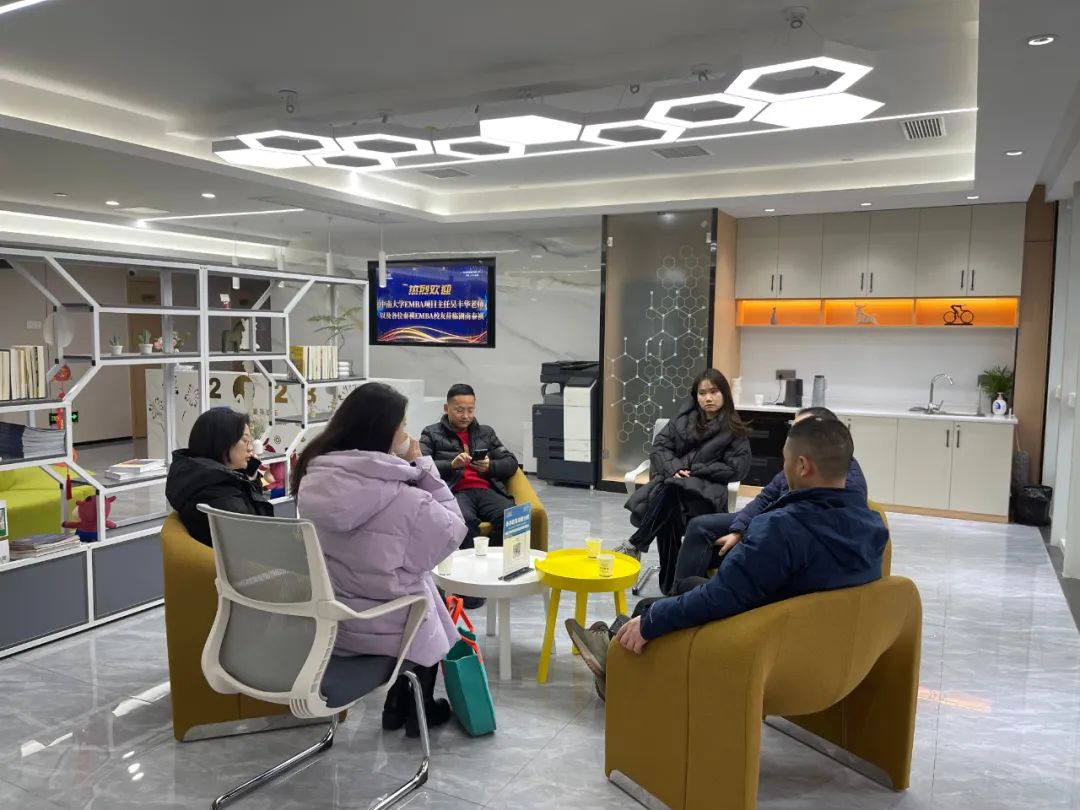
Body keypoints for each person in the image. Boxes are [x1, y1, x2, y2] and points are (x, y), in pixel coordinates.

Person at [567, 416, 888, 699]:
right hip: (827, 651)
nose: (783, 469)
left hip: (762, 645)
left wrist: (653, 621)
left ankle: (618, 673)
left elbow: (722, 598)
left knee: (649, 610)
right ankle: (611, 644)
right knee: (686, 586)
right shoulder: (872, 527)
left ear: (802, 466)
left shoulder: (781, 529)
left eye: (785, 461)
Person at [292, 382, 467, 738]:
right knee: (426, 598)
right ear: (385, 432)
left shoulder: (314, 480)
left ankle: (397, 705)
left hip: (330, 622)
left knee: (420, 586)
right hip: (382, 628)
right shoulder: (407, 499)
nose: (407, 433)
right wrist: (423, 466)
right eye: (402, 425)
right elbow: (452, 532)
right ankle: (418, 707)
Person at [672, 406, 868, 587]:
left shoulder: (841, 482)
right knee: (699, 527)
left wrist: (751, 534)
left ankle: (684, 594)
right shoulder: (798, 463)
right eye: (793, 430)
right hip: (771, 522)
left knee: (697, 571)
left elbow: (800, 532)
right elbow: (765, 498)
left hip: (778, 534)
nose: (793, 438)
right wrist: (739, 529)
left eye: (801, 430)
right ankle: (679, 591)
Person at [614, 369, 752, 595]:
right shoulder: (683, 419)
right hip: (674, 489)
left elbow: (737, 469)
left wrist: (696, 470)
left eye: (714, 392)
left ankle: (637, 544)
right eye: (702, 393)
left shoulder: (733, 429)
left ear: (724, 394)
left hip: (706, 495)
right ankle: (672, 587)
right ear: (695, 396)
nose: (708, 398)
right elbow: (659, 447)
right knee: (670, 507)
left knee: (671, 490)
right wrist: (674, 468)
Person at [420, 383, 519, 549]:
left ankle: (494, 558)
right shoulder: (431, 433)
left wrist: (490, 466)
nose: (466, 416)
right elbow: (422, 467)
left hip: (486, 490)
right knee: (464, 521)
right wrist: (451, 465)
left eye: (470, 410)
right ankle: (469, 563)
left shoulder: (486, 432)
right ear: (446, 408)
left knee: (512, 517)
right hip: (455, 491)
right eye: (459, 410)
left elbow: (511, 462)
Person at [166, 407, 273, 546]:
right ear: (221, 443)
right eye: (244, 440)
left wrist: (251, 477)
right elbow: (260, 533)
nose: (250, 448)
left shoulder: (203, 478)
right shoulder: (219, 493)